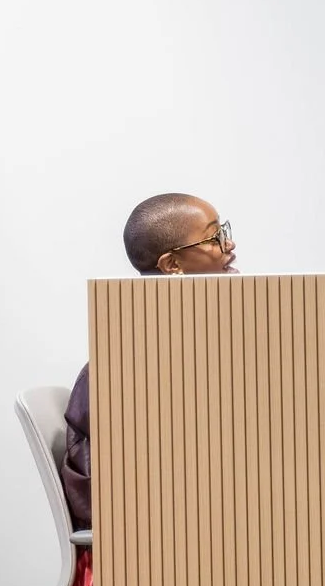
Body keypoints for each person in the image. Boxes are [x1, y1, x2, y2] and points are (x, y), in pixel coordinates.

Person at [59, 193, 237, 533]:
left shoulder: (197, 346)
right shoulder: (128, 363)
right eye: (215, 237)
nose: (228, 244)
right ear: (173, 266)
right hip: (145, 547)